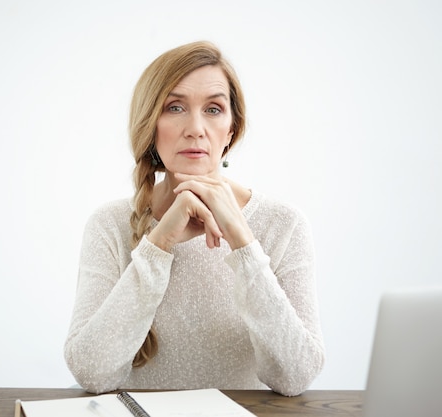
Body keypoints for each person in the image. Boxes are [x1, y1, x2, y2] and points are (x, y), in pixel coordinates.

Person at [63, 41, 324, 397]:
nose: (196, 128)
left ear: (231, 130)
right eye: (175, 107)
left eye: (214, 109)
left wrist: (243, 242)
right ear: (150, 126)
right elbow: (92, 373)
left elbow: (295, 376)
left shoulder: (284, 224)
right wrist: (158, 244)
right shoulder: (108, 225)